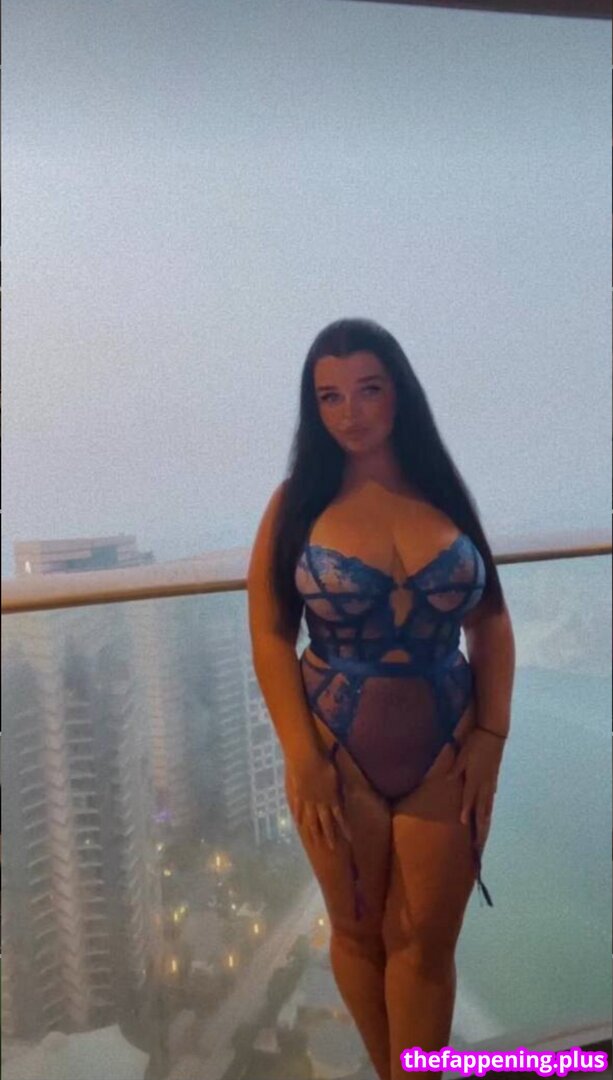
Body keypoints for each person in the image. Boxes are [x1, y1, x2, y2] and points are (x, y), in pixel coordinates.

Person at [247, 318, 515, 1080]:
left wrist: (490, 739)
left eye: (367, 389)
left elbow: (490, 623)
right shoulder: (295, 504)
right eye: (329, 396)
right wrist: (302, 757)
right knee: (359, 933)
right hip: (335, 752)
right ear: (313, 408)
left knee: (426, 943)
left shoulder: (445, 495)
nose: (350, 412)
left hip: (448, 752)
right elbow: (270, 633)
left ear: (399, 392)